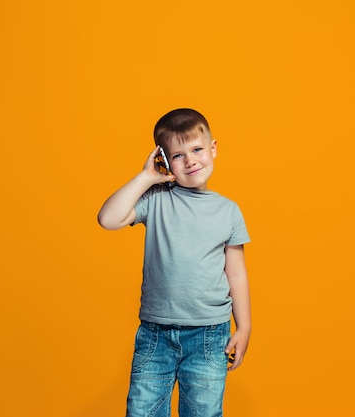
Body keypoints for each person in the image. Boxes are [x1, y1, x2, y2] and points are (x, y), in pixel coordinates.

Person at [97, 108, 251, 417]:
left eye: (196, 149)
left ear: (213, 148)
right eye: (177, 156)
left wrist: (244, 325)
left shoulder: (228, 211)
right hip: (156, 333)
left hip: (209, 334)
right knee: (142, 411)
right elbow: (108, 219)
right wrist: (145, 177)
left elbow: (236, 273)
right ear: (164, 161)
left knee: (203, 413)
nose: (191, 160)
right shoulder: (155, 199)